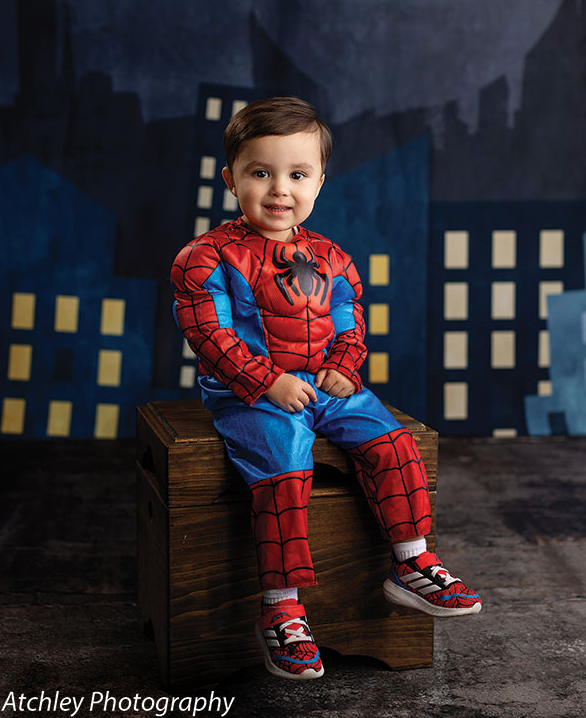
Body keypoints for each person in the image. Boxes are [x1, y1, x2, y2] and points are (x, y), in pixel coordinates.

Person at [171, 96, 481, 682]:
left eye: (297, 174)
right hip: (249, 393)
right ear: (231, 180)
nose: (279, 189)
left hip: (326, 386)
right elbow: (210, 335)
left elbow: (348, 317)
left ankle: (411, 563)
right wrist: (267, 381)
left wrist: (345, 364)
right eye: (260, 172)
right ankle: (280, 607)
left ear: (319, 182)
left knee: (394, 444)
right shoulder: (205, 257)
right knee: (286, 466)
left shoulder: (330, 256)